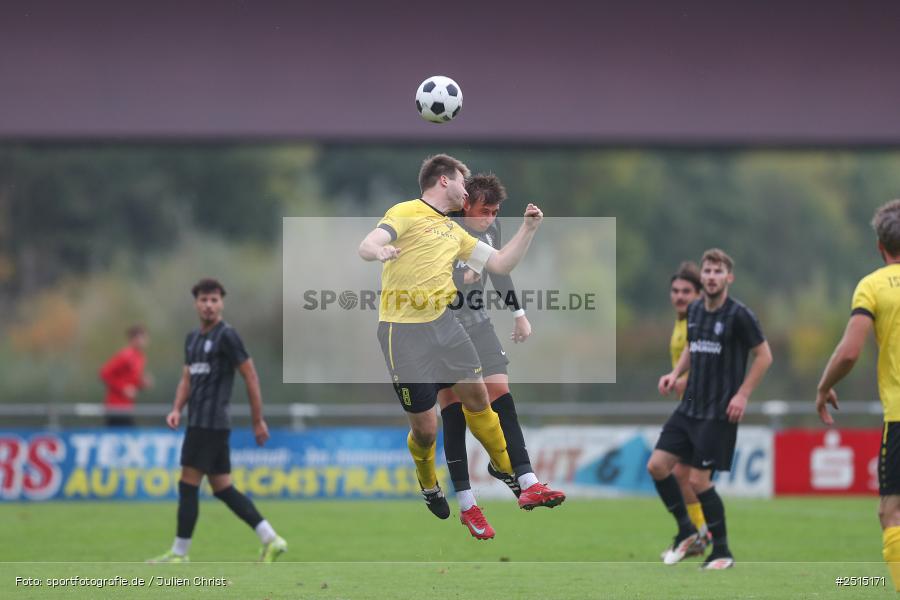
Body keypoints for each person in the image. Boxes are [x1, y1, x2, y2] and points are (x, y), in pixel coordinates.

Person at [358, 154, 543, 527]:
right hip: (402, 333)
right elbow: (368, 243)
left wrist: (528, 229)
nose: (467, 185)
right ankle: (428, 482)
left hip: (445, 325)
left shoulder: (455, 231)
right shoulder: (406, 211)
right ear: (445, 181)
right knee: (426, 430)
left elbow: (502, 265)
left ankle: (523, 481)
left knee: (479, 398)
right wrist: (380, 250)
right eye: (464, 179)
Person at [438, 173, 565, 540]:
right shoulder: (441, 231)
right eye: (482, 211)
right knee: (453, 413)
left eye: (494, 212)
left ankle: (527, 480)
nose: (489, 219)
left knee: (502, 397)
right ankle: (467, 503)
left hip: (477, 325)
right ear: (464, 206)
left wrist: (518, 313)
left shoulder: (490, 231)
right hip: (439, 331)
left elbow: (499, 271)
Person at [647, 249, 772, 570]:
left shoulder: (739, 315)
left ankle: (722, 552)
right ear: (702, 277)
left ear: (728, 277)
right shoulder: (697, 310)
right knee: (657, 466)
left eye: (718, 271)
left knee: (699, 482)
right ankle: (687, 531)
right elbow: (691, 344)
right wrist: (674, 374)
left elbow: (764, 356)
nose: (712, 276)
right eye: (708, 271)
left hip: (718, 411)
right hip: (689, 408)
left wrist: (742, 395)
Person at [147, 278, 287, 563]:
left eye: (214, 300)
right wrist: (176, 408)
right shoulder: (192, 339)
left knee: (188, 484)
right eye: (203, 300)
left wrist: (257, 420)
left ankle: (179, 553)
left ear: (221, 303)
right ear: (196, 303)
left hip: (209, 424)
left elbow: (250, 375)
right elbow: (187, 377)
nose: (209, 305)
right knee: (223, 488)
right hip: (201, 422)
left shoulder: (227, 336)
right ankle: (271, 539)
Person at [816, 199, 900, 591]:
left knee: (892, 512)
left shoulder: (873, 286)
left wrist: (823, 386)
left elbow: (849, 352)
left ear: (879, 247)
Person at [658, 262, 710, 558]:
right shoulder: (682, 320)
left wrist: (683, 381)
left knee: (691, 477)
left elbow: (711, 364)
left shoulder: (697, 321)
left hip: (704, 410)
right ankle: (699, 533)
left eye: (686, 292)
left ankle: (704, 534)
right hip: (690, 408)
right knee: (682, 475)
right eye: (675, 291)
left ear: (698, 294)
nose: (679, 296)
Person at [99, 325, 152, 427]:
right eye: (143, 337)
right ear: (134, 339)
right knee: (118, 435)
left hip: (128, 407)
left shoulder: (140, 357)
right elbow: (104, 373)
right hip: (115, 406)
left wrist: (142, 383)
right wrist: (123, 388)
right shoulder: (125, 356)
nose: (145, 340)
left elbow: (131, 383)